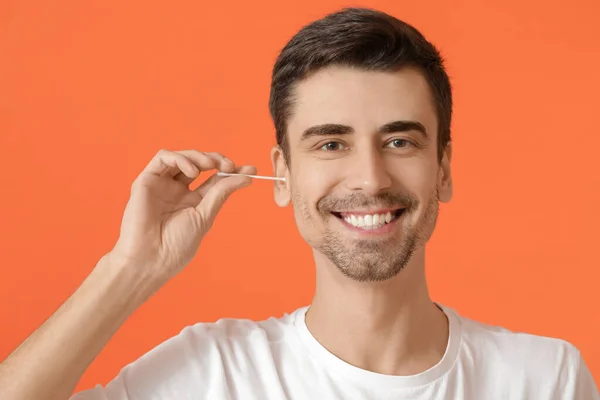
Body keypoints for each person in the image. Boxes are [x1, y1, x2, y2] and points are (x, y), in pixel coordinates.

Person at [0, 7, 598, 400]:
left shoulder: (545, 379)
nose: (369, 176)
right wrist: (130, 270)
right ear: (283, 175)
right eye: (331, 143)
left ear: (442, 168)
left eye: (399, 140)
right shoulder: (215, 375)